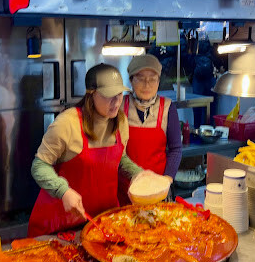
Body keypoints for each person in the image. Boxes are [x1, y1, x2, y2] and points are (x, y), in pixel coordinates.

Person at [28, 63, 154, 237]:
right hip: (62, 225)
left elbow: (119, 159)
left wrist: (137, 173)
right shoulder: (67, 123)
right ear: (91, 94)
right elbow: (39, 166)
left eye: (119, 94)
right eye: (109, 95)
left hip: (102, 221)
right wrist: (63, 191)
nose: (117, 101)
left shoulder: (120, 122)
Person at [118, 54, 182, 205]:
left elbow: (176, 149)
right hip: (125, 189)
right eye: (140, 78)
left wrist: (167, 179)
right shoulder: (119, 106)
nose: (147, 85)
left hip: (157, 192)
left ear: (159, 81)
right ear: (131, 80)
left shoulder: (167, 108)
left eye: (152, 79)